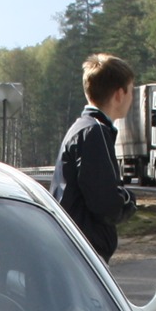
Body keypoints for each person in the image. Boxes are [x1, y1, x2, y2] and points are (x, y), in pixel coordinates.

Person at [51, 54, 137, 259]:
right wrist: (129, 200)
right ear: (119, 94)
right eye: (131, 91)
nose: (131, 98)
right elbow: (105, 203)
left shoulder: (84, 127)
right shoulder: (94, 132)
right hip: (82, 251)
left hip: (70, 245)